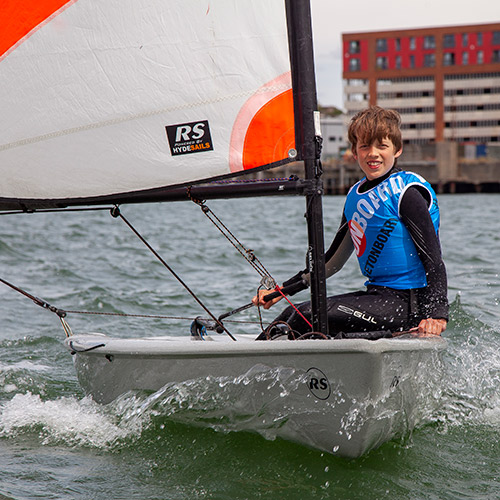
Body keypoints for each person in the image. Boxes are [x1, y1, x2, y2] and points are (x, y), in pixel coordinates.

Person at [253, 106, 448, 338]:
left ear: (397, 150)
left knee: (306, 315)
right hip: (377, 296)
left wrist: (437, 314)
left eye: (382, 146)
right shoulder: (356, 197)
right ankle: (250, 363)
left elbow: (433, 258)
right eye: (365, 146)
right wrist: (280, 292)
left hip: (408, 304)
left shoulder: (407, 193)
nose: (373, 153)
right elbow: (331, 262)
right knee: (291, 313)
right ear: (354, 152)